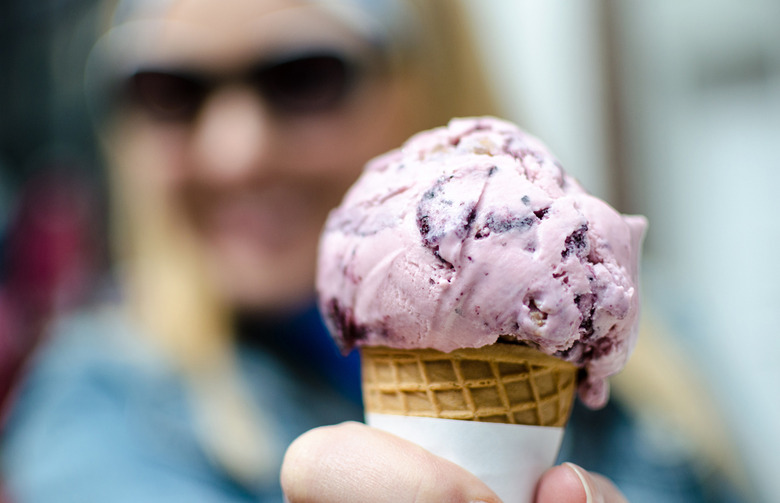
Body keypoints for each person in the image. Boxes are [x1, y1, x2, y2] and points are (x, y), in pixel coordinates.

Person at [0, 1, 746, 502]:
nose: (236, 153)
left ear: (430, 74)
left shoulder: (660, 352)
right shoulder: (98, 402)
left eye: (303, 77)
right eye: (170, 90)